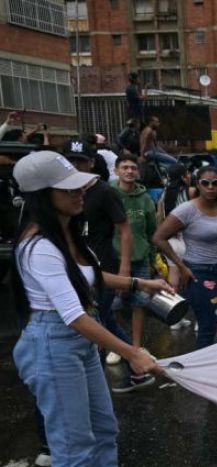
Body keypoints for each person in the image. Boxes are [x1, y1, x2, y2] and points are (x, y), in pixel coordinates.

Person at [11, 150, 171, 467]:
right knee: (70, 441)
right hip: (54, 344)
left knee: (103, 425)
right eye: (69, 189)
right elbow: (73, 315)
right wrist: (133, 352)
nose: (81, 193)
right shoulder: (39, 246)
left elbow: (86, 276)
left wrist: (139, 284)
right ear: (43, 195)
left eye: (79, 185)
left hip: (78, 342)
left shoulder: (65, 234)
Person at [61, 141, 155, 394]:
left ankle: (105, 380)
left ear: (91, 163)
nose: (75, 165)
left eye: (81, 160)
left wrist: (124, 270)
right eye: (71, 160)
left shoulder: (103, 192)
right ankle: (137, 367)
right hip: (82, 267)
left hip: (104, 266)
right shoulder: (68, 192)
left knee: (99, 323)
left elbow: (125, 231)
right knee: (106, 321)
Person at [153, 166, 217, 349]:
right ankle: (204, 370)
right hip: (201, 273)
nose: (210, 187)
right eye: (205, 183)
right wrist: (181, 266)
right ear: (198, 184)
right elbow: (159, 238)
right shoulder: (187, 210)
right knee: (208, 327)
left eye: (215, 183)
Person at [111, 154, 157, 359]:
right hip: (114, 259)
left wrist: (153, 258)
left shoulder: (145, 198)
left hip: (140, 259)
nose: (129, 171)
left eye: (133, 168)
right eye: (124, 167)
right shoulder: (109, 194)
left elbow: (151, 231)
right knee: (114, 304)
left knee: (140, 303)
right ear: (116, 171)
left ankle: (136, 346)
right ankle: (117, 346)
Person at [156, 163, 197, 329]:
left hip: (170, 240)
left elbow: (159, 217)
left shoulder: (163, 194)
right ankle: (200, 320)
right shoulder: (190, 192)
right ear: (183, 176)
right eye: (187, 174)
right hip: (187, 239)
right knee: (194, 278)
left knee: (174, 278)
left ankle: (177, 320)